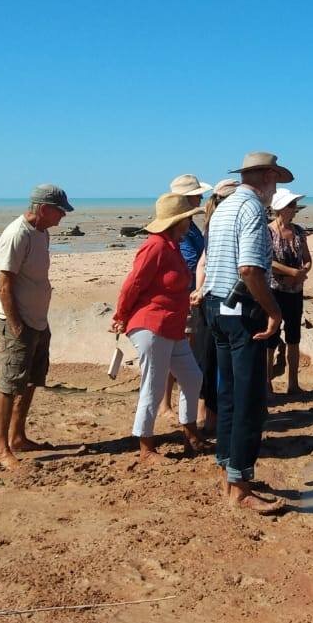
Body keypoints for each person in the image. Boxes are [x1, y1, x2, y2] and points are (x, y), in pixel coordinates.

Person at [203, 152, 288, 515]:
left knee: (228, 394)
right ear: (267, 177)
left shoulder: (223, 206)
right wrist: (274, 311)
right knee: (250, 399)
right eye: (276, 181)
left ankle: (227, 467)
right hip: (241, 311)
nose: (276, 189)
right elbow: (250, 269)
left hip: (215, 305)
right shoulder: (252, 208)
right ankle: (239, 484)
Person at [110, 192, 207, 463]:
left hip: (172, 326)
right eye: (187, 218)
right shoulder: (155, 245)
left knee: (192, 378)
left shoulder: (173, 245)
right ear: (178, 222)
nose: (190, 223)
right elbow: (134, 283)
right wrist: (120, 315)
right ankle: (146, 447)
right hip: (151, 325)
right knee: (152, 386)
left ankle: (189, 431)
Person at [0, 183, 74, 471]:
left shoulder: (42, 234)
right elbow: (4, 285)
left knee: (31, 381)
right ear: (44, 209)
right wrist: (16, 326)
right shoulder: (17, 234)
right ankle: (1, 448)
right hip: (19, 322)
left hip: (39, 319)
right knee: (9, 384)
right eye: (60, 211)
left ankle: (18, 437)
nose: (62, 217)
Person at [160, 173, 214, 421]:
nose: (200, 199)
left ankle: (175, 402)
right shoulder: (179, 227)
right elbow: (186, 261)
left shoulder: (190, 226)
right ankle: (165, 404)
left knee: (184, 349)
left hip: (190, 292)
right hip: (185, 294)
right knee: (178, 348)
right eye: (196, 196)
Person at [192, 178, 237, 433]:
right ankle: (211, 416)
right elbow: (204, 264)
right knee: (216, 360)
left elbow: (202, 263)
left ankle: (208, 415)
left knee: (209, 358)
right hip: (220, 299)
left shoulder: (211, 224)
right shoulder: (222, 225)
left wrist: (200, 290)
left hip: (208, 298)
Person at [267, 188, 311, 395]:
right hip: (274, 291)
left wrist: (302, 272)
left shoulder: (299, 231)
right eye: (291, 205)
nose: (294, 209)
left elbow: (307, 258)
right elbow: (266, 261)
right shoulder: (267, 231)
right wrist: (292, 272)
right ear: (281, 208)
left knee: (294, 338)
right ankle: (267, 382)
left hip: (295, 291)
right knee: (270, 338)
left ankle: (293, 382)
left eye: (294, 204)